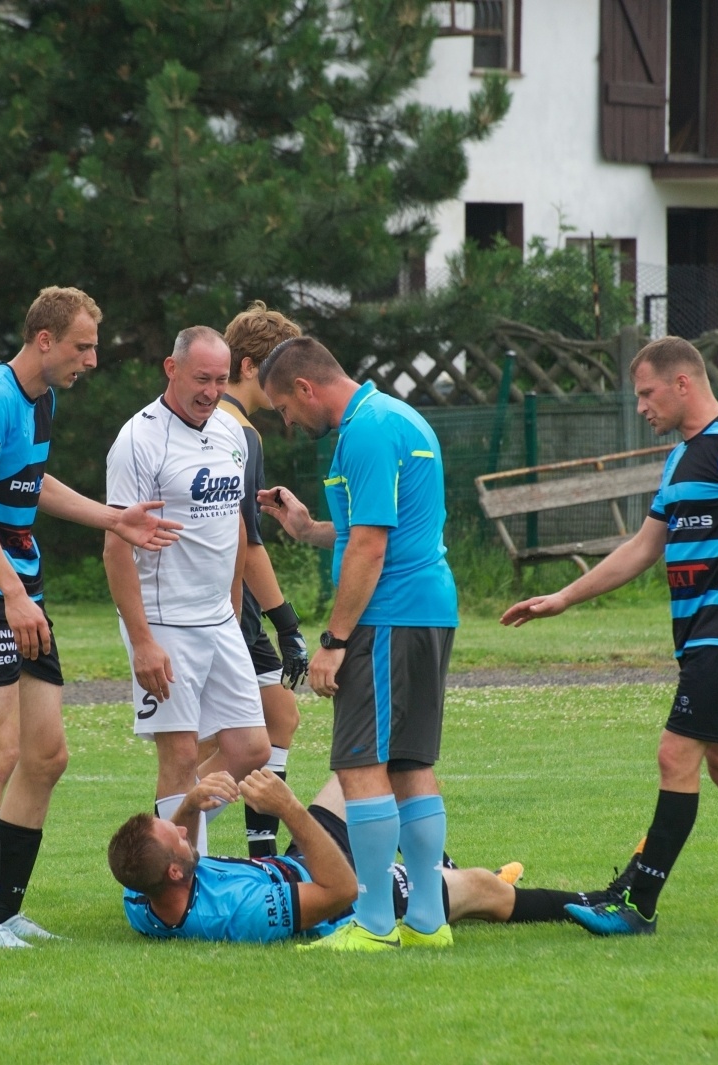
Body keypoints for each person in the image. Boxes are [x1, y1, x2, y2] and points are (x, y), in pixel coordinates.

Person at [501, 336, 718, 935]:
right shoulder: (678, 460)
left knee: (676, 754)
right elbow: (644, 547)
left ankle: (636, 906)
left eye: (646, 393)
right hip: (699, 636)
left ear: (682, 383)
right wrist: (563, 598)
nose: (641, 406)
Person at [0, 286, 182, 949]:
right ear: (45, 340)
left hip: (20, 588)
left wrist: (112, 516)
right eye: (83, 345)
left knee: (46, 755)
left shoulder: (40, 400)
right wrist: (12, 592)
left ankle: (6, 911)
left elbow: (29, 482)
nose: (93, 359)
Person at [257, 336, 460, 951]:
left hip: (387, 617)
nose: (287, 423)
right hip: (428, 610)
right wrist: (305, 528)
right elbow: (364, 532)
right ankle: (428, 921)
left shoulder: (366, 430)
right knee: (410, 764)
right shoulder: (397, 417)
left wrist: (334, 640)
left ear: (305, 388)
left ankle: (374, 925)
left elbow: (371, 548)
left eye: (284, 409)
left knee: (359, 764)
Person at [108, 770, 632, 945]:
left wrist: (191, 802)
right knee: (483, 890)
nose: (182, 828)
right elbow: (338, 889)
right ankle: (599, 902)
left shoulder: (142, 894)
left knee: (357, 770)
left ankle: (436, 865)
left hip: (299, 865)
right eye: (176, 835)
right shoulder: (240, 912)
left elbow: (156, 861)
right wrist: (287, 807)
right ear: (176, 872)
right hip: (343, 892)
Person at [103, 326, 272, 856]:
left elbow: (237, 525)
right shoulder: (138, 440)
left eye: (221, 380)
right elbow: (116, 546)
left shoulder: (230, 431)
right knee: (178, 758)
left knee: (250, 747)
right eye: (201, 378)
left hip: (218, 621)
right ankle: (176, 874)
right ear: (171, 369)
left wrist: (233, 606)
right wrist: (143, 641)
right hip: (165, 623)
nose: (211, 391)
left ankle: (165, 846)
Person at [208, 301, 309, 858]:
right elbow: (248, 546)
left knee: (274, 718)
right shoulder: (240, 433)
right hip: (230, 609)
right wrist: (286, 622)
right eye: (276, 369)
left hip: (217, 606)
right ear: (249, 367)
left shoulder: (217, 423)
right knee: (238, 740)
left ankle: (261, 855)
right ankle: (170, 834)